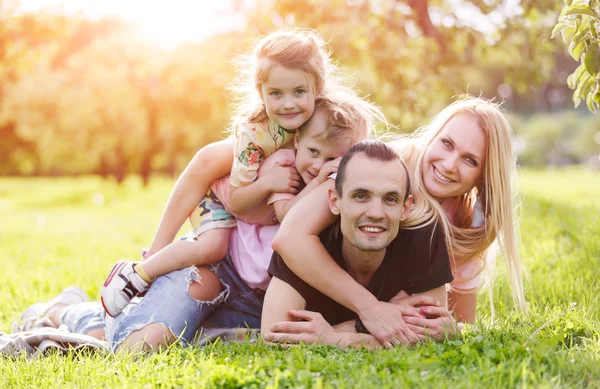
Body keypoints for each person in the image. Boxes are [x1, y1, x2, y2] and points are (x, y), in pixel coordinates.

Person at [20, 92, 376, 353]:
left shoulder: (348, 189)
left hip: (258, 297)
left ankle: (67, 309)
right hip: (216, 269)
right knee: (137, 348)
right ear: (297, 141)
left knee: (175, 338)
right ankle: (64, 312)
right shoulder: (280, 165)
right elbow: (283, 218)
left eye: (336, 160)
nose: (320, 165)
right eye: (314, 153)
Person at [100, 28, 383, 317]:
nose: (288, 104)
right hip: (222, 199)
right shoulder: (256, 137)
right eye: (276, 93)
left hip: (259, 216)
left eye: (298, 92)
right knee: (212, 247)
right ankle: (141, 270)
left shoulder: (326, 122)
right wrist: (269, 183)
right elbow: (229, 192)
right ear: (261, 93)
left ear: (318, 87)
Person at [269, 96, 525, 348]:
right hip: (273, 284)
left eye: (470, 160)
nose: (449, 165)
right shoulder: (375, 169)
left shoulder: (464, 227)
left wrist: (450, 328)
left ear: (483, 175)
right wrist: (370, 308)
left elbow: (454, 324)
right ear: (432, 137)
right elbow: (290, 237)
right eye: (446, 143)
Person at [261, 140, 454, 349]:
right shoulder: (305, 246)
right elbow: (275, 338)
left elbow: (429, 334)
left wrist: (336, 336)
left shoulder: (423, 235)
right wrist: (375, 316)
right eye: (361, 196)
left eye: (390, 199)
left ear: (405, 208)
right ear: (335, 201)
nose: (375, 213)